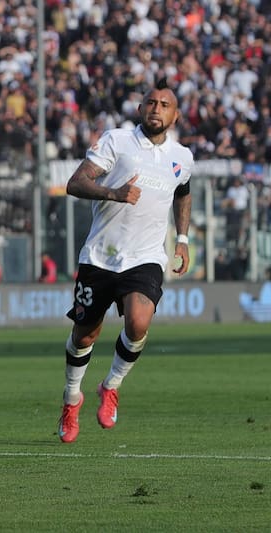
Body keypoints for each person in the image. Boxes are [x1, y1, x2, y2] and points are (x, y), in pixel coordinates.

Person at [57, 78, 193, 444]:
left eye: (164, 105)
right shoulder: (116, 141)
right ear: (140, 108)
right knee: (85, 334)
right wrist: (113, 193)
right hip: (100, 256)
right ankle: (71, 398)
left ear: (176, 115)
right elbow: (75, 183)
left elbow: (183, 193)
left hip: (146, 257)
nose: (156, 109)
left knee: (138, 322)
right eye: (151, 103)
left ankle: (111, 385)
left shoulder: (183, 157)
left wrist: (181, 239)